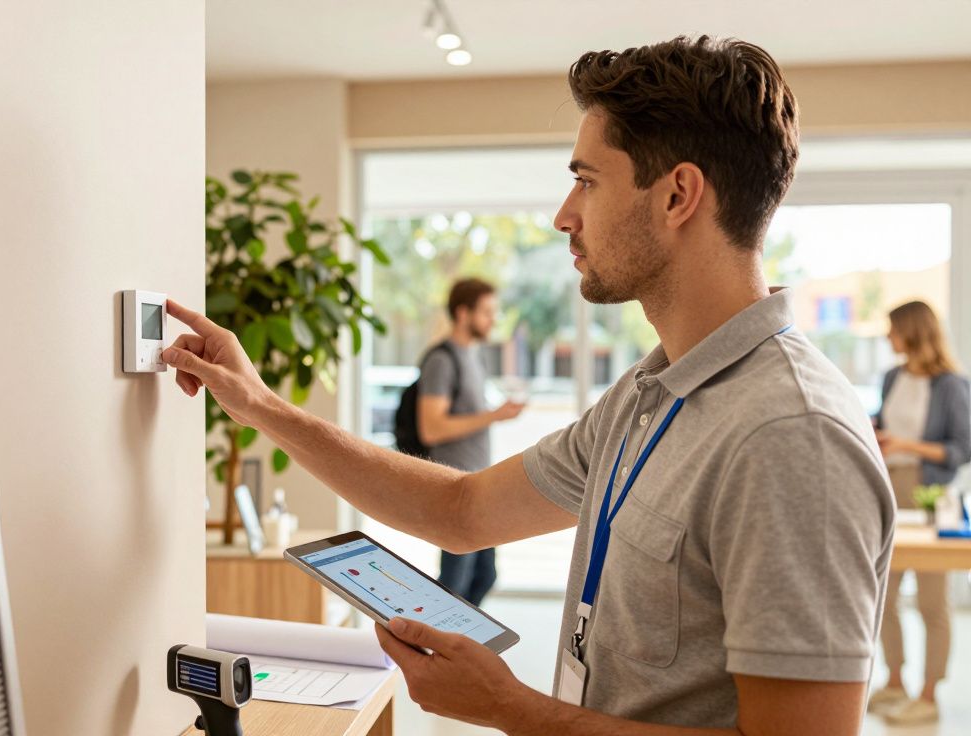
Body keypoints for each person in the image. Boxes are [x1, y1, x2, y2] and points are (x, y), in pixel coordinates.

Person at [163, 35, 892, 735]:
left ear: (677, 196)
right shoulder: (649, 393)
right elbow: (461, 509)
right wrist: (260, 407)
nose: (562, 215)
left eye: (585, 180)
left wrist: (511, 709)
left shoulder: (792, 434)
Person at [868, 300, 971, 726]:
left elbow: (962, 448)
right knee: (884, 595)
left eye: (893, 329)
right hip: (891, 488)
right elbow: (884, 422)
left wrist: (906, 445)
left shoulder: (951, 384)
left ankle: (928, 693)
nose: (888, 337)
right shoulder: (892, 377)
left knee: (932, 601)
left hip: (937, 494)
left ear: (912, 331)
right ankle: (895, 682)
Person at [418, 278, 524, 606]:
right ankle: (434, 643)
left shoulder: (474, 357)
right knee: (455, 582)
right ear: (463, 314)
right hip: (453, 487)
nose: (493, 319)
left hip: (479, 485)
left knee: (484, 575)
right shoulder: (441, 360)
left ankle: (456, 639)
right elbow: (431, 429)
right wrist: (494, 416)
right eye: (487, 312)